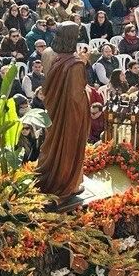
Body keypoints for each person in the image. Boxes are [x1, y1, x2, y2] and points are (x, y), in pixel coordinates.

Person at [36, 22, 90, 198]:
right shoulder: (75, 64)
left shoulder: (48, 54)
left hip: (53, 110)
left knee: (52, 143)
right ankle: (67, 183)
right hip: (69, 115)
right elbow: (76, 97)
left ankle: (48, 176)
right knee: (67, 147)